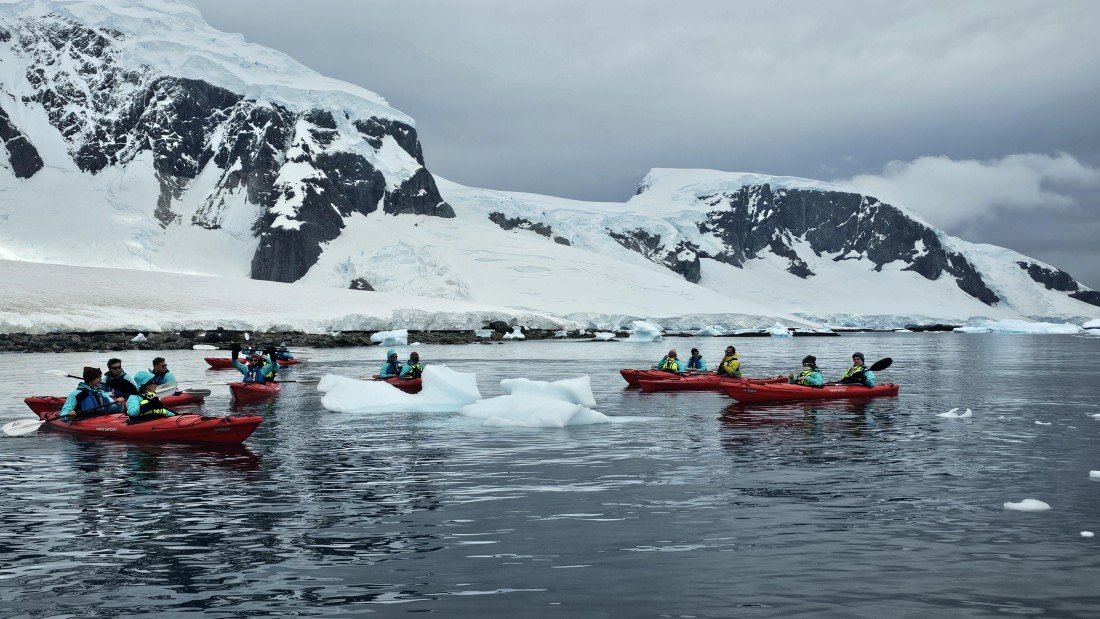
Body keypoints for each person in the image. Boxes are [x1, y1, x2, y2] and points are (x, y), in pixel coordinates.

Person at [59, 366, 125, 421]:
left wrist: (118, 404)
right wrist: (69, 416)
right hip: (84, 421)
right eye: (99, 377)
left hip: (103, 420)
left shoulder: (102, 393)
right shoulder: (75, 394)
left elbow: (114, 410)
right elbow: (63, 414)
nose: (101, 380)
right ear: (91, 378)